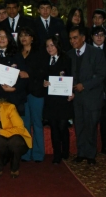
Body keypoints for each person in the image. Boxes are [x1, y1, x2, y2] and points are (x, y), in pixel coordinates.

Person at [67, 26, 106, 164]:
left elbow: (101, 75)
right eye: (71, 38)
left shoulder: (96, 53)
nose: (72, 41)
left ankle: (90, 155)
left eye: (75, 37)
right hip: (76, 98)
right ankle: (81, 152)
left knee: (91, 126)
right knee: (79, 125)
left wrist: (85, 85)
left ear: (83, 38)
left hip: (92, 97)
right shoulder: (69, 54)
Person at [17, 27, 48, 162]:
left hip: (36, 92)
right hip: (21, 93)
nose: (24, 38)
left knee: (37, 124)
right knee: (25, 124)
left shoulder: (39, 53)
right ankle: (25, 153)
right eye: (21, 35)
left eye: (27, 35)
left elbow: (43, 71)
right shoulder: (17, 53)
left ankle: (38, 154)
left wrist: (28, 74)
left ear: (32, 38)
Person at [43, 35, 74, 164]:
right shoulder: (45, 60)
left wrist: (72, 91)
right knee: (54, 126)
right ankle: (57, 154)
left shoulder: (66, 59)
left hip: (63, 99)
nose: (49, 48)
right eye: (47, 46)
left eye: (52, 45)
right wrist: (43, 82)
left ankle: (65, 151)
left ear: (57, 45)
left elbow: (72, 75)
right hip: (50, 99)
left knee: (62, 126)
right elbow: (40, 76)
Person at [0, 28, 28, 119]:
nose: (2, 39)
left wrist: (14, 88)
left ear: (9, 39)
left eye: (5, 36)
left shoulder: (16, 55)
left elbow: (24, 76)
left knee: (16, 127)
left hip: (15, 97)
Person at [90, 26, 106, 155]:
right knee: (92, 121)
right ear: (92, 37)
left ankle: (105, 146)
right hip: (91, 91)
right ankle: (90, 149)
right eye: (96, 34)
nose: (99, 37)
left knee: (105, 120)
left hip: (105, 91)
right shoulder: (87, 51)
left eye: (102, 34)